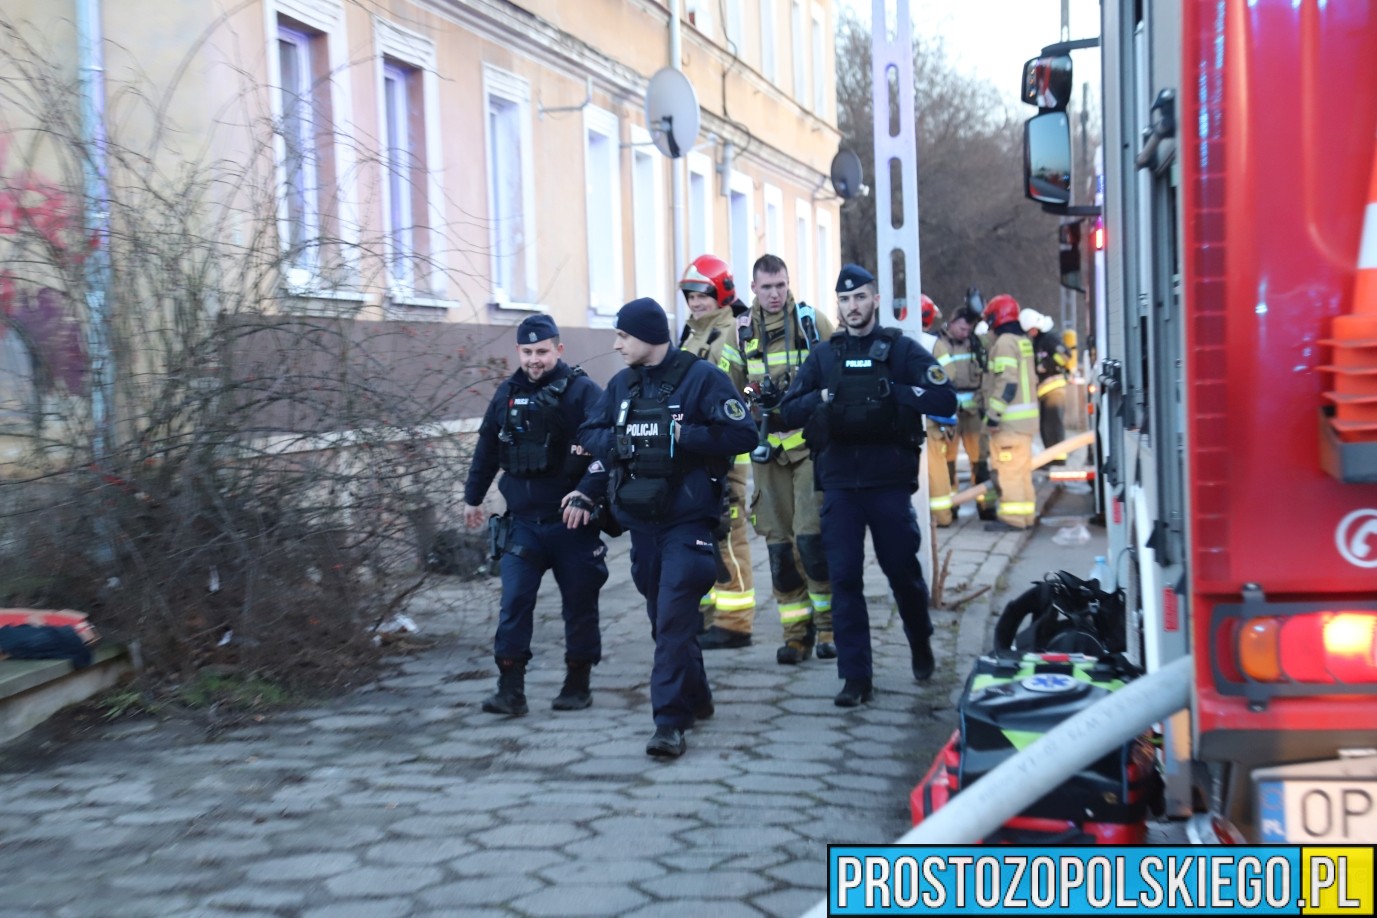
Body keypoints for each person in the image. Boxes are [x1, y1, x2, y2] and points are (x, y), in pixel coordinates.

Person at [577, 297, 758, 758]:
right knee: (664, 624)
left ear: (647, 336)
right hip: (642, 527)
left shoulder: (701, 380)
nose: (616, 344)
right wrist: (622, 441)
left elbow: (744, 434)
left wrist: (685, 437)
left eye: (622, 335)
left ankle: (669, 724)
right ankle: (697, 698)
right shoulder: (622, 386)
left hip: (688, 522)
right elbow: (589, 433)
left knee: (676, 618)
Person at [777, 265, 957, 707]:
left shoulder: (901, 350)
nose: (852, 307)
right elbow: (785, 412)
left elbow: (944, 399)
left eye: (860, 297)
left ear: (876, 300)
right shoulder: (824, 355)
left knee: (902, 573)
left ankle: (919, 640)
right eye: (844, 300)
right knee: (844, 580)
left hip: (888, 484)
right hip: (839, 485)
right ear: (837, 306)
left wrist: (895, 391)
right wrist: (821, 397)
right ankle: (855, 677)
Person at [463, 315, 609, 716]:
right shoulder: (507, 394)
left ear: (558, 350)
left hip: (573, 524)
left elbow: (607, 449)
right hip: (523, 523)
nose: (534, 360)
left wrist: (589, 494)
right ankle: (510, 690)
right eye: (527, 352)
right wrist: (473, 497)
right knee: (514, 602)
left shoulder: (581, 392)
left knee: (579, 606)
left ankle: (577, 683)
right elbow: (488, 447)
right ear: (518, 352)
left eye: (542, 351)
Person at [722, 253, 836, 665]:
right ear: (754, 289)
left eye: (782, 285)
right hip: (767, 455)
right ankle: (795, 635)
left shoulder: (812, 323)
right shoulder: (739, 335)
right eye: (768, 286)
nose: (775, 294)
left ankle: (828, 630)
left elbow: (837, 372)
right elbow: (724, 392)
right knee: (780, 549)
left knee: (811, 539)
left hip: (809, 450)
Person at [676, 254, 756, 649]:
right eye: (690, 295)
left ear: (722, 292)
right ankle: (704, 617)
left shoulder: (735, 332)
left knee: (728, 534)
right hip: (693, 449)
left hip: (725, 455)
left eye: (702, 294)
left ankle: (735, 622)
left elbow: (743, 390)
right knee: (697, 537)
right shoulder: (691, 334)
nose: (695, 302)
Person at [926, 300, 989, 527]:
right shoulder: (936, 342)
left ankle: (986, 506)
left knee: (979, 460)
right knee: (948, 461)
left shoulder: (976, 344)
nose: (965, 332)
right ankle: (951, 506)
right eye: (962, 328)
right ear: (951, 324)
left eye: (968, 329)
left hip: (972, 412)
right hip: (949, 413)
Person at [981, 295, 1040, 531]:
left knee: (1009, 472)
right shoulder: (1021, 340)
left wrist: (993, 416)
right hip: (1025, 423)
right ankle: (1026, 516)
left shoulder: (1005, 342)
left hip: (1009, 423)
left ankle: (1013, 519)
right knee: (1021, 471)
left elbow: (1007, 383)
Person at [1022, 308, 1072, 465]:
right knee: (1046, 426)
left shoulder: (1050, 338)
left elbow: (1065, 355)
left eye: (1032, 330)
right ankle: (1051, 456)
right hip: (1045, 389)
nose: (1031, 333)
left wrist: (1046, 365)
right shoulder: (1039, 340)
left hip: (1054, 388)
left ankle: (1059, 459)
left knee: (1053, 425)